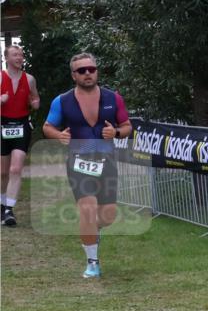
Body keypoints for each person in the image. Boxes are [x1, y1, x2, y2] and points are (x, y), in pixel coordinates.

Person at [41, 53, 132, 278]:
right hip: (79, 162)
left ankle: (92, 231)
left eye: (91, 69)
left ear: (97, 71)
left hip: (107, 161)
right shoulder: (62, 101)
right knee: (88, 210)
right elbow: (47, 126)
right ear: (74, 75)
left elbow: (127, 125)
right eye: (82, 71)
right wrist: (58, 135)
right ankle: (92, 262)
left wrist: (116, 132)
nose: (88, 73)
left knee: (108, 216)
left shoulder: (114, 98)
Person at [1, 44, 40, 226]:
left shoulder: (30, 79)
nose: (19, 57)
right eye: (15, 55)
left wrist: (35, 102)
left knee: (15, 169)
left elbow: (35, 97)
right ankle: (2, 205)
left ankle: (9, 210)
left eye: (21, 54)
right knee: (2, 173)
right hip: (2, 124)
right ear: (6, 58)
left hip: (22, 125)